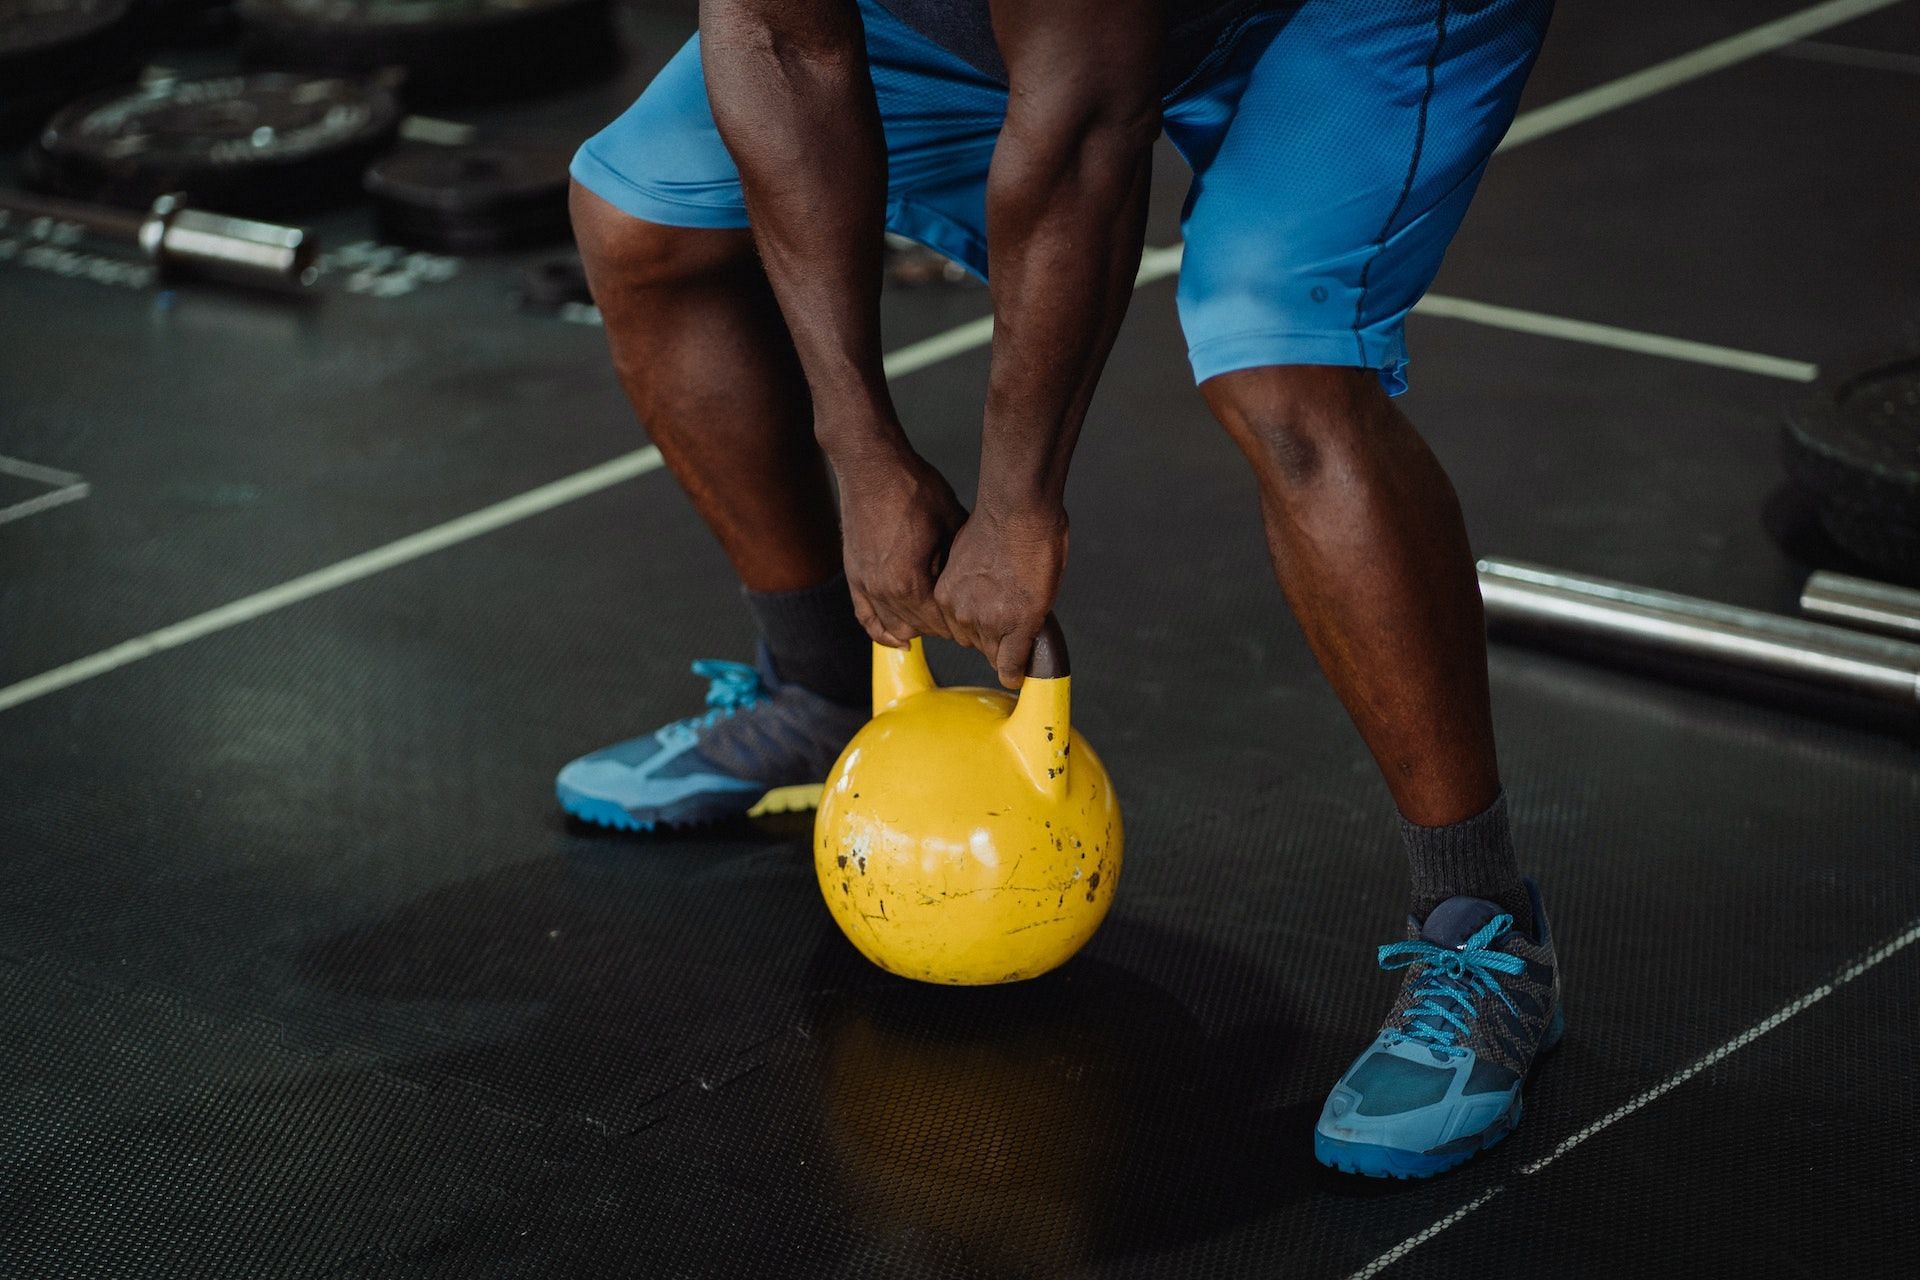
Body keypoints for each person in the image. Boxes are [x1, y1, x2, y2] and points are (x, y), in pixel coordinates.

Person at [559, 0, 1561, 1178]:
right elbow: (781, 43)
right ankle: (823, 691)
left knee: (1276, 350)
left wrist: (1018, 504)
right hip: (984, 28)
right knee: (638, 213)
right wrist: (863, 452)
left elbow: (1089, 122)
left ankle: (1481, 925)